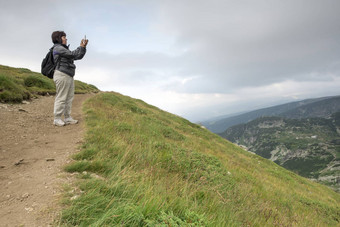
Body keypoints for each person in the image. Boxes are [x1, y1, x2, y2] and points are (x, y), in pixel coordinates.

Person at [51, 31, 88, 126]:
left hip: (69, 75)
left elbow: (78, 56)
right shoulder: (58, 48)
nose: (66, 39)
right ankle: (57, 118)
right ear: (58, 38)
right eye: (64, 37)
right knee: (62, 97)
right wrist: (80, 47)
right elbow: (73, 54)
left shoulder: (63, 49)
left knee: (69, 98)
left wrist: (83, 47)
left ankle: (67, 118)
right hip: (61, 74)